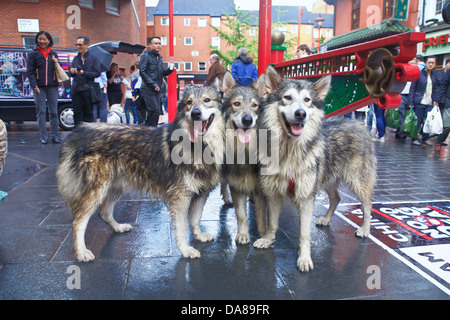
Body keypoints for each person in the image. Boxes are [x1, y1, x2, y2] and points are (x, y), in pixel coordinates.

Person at [26, 31, 61, 144]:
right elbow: (30, 72)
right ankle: (43, 136)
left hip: (52, 87)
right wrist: (34, 85)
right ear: (37, 40)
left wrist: (57, 62)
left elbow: (59, 70)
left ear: (49, 40)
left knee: (54, 112)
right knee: (41, 111)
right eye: (40, 39)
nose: (42, 41)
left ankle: (55, 136)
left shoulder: (53, 54)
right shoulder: (33, 54)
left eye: (44, 39)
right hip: (39, 87)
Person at [139, 36, 174, 127]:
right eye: (156, 43)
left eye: (159, 43)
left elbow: (161, 72)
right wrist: (153, 84)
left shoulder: (159, 57)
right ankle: (148, 129)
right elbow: (142, 72)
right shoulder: (146, 56)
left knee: (157, 111)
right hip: (148, 88)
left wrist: (170, 70)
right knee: (153, 109)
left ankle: (152, 129)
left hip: (157, 89)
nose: (158, 45)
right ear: (150, 45)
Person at [69, 36, 101, 126]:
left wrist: (84, 73)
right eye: (77, 44)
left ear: (87, 45)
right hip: (76, 88)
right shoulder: (76, 58)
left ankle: (88, 135)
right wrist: (72, 71)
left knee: (88, 113)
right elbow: (72, 73)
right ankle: (77, 135)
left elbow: (97, 73)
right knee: (77, 113)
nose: (78, 46)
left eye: (80, 44)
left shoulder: (94, 58)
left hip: (88, 89)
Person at [408, 56, 438, 146]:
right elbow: (412, 88)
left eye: (433, 63)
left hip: (430, 103)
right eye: (429, 62)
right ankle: (414, 138)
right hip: (419, 101)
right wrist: (411, 102)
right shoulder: (419, 74)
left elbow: (436, 89)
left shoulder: (435, 76)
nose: (431, 64)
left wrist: (436, 101)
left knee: (428, 121)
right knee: (417, 121)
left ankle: (425, 138)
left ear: (435, 64)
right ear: (425, 63)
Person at [396, 59, 418, 139]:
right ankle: (400, 132)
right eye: (411, 64)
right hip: (402, 94)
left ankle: (405, 131)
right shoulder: (403, 72)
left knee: (408, 114)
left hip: (411, 96)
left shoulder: (417, 74)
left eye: (414, 64)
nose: (412, 66)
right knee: (401, 114)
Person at [433, 58, 450, 151]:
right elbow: (443, 85)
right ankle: (439, 140)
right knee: (447, 125)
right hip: (449, 101)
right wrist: (439, 99)